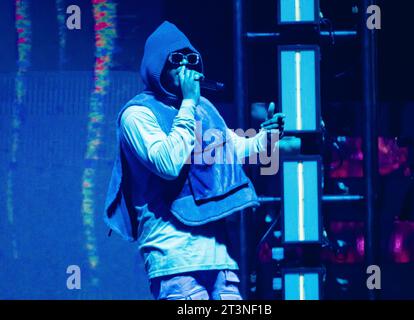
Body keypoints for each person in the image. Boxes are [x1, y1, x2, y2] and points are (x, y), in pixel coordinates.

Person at [104, 21, 285, 300]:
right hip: (175, 260)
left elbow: (233, 151)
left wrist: (266, 137)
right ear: (158, 67)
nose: (186, 66)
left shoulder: (205, 109)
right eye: (176, 60)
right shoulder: (138, 115)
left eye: (192, 59)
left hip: (221, 259)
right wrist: (188, 105)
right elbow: (168, 163)